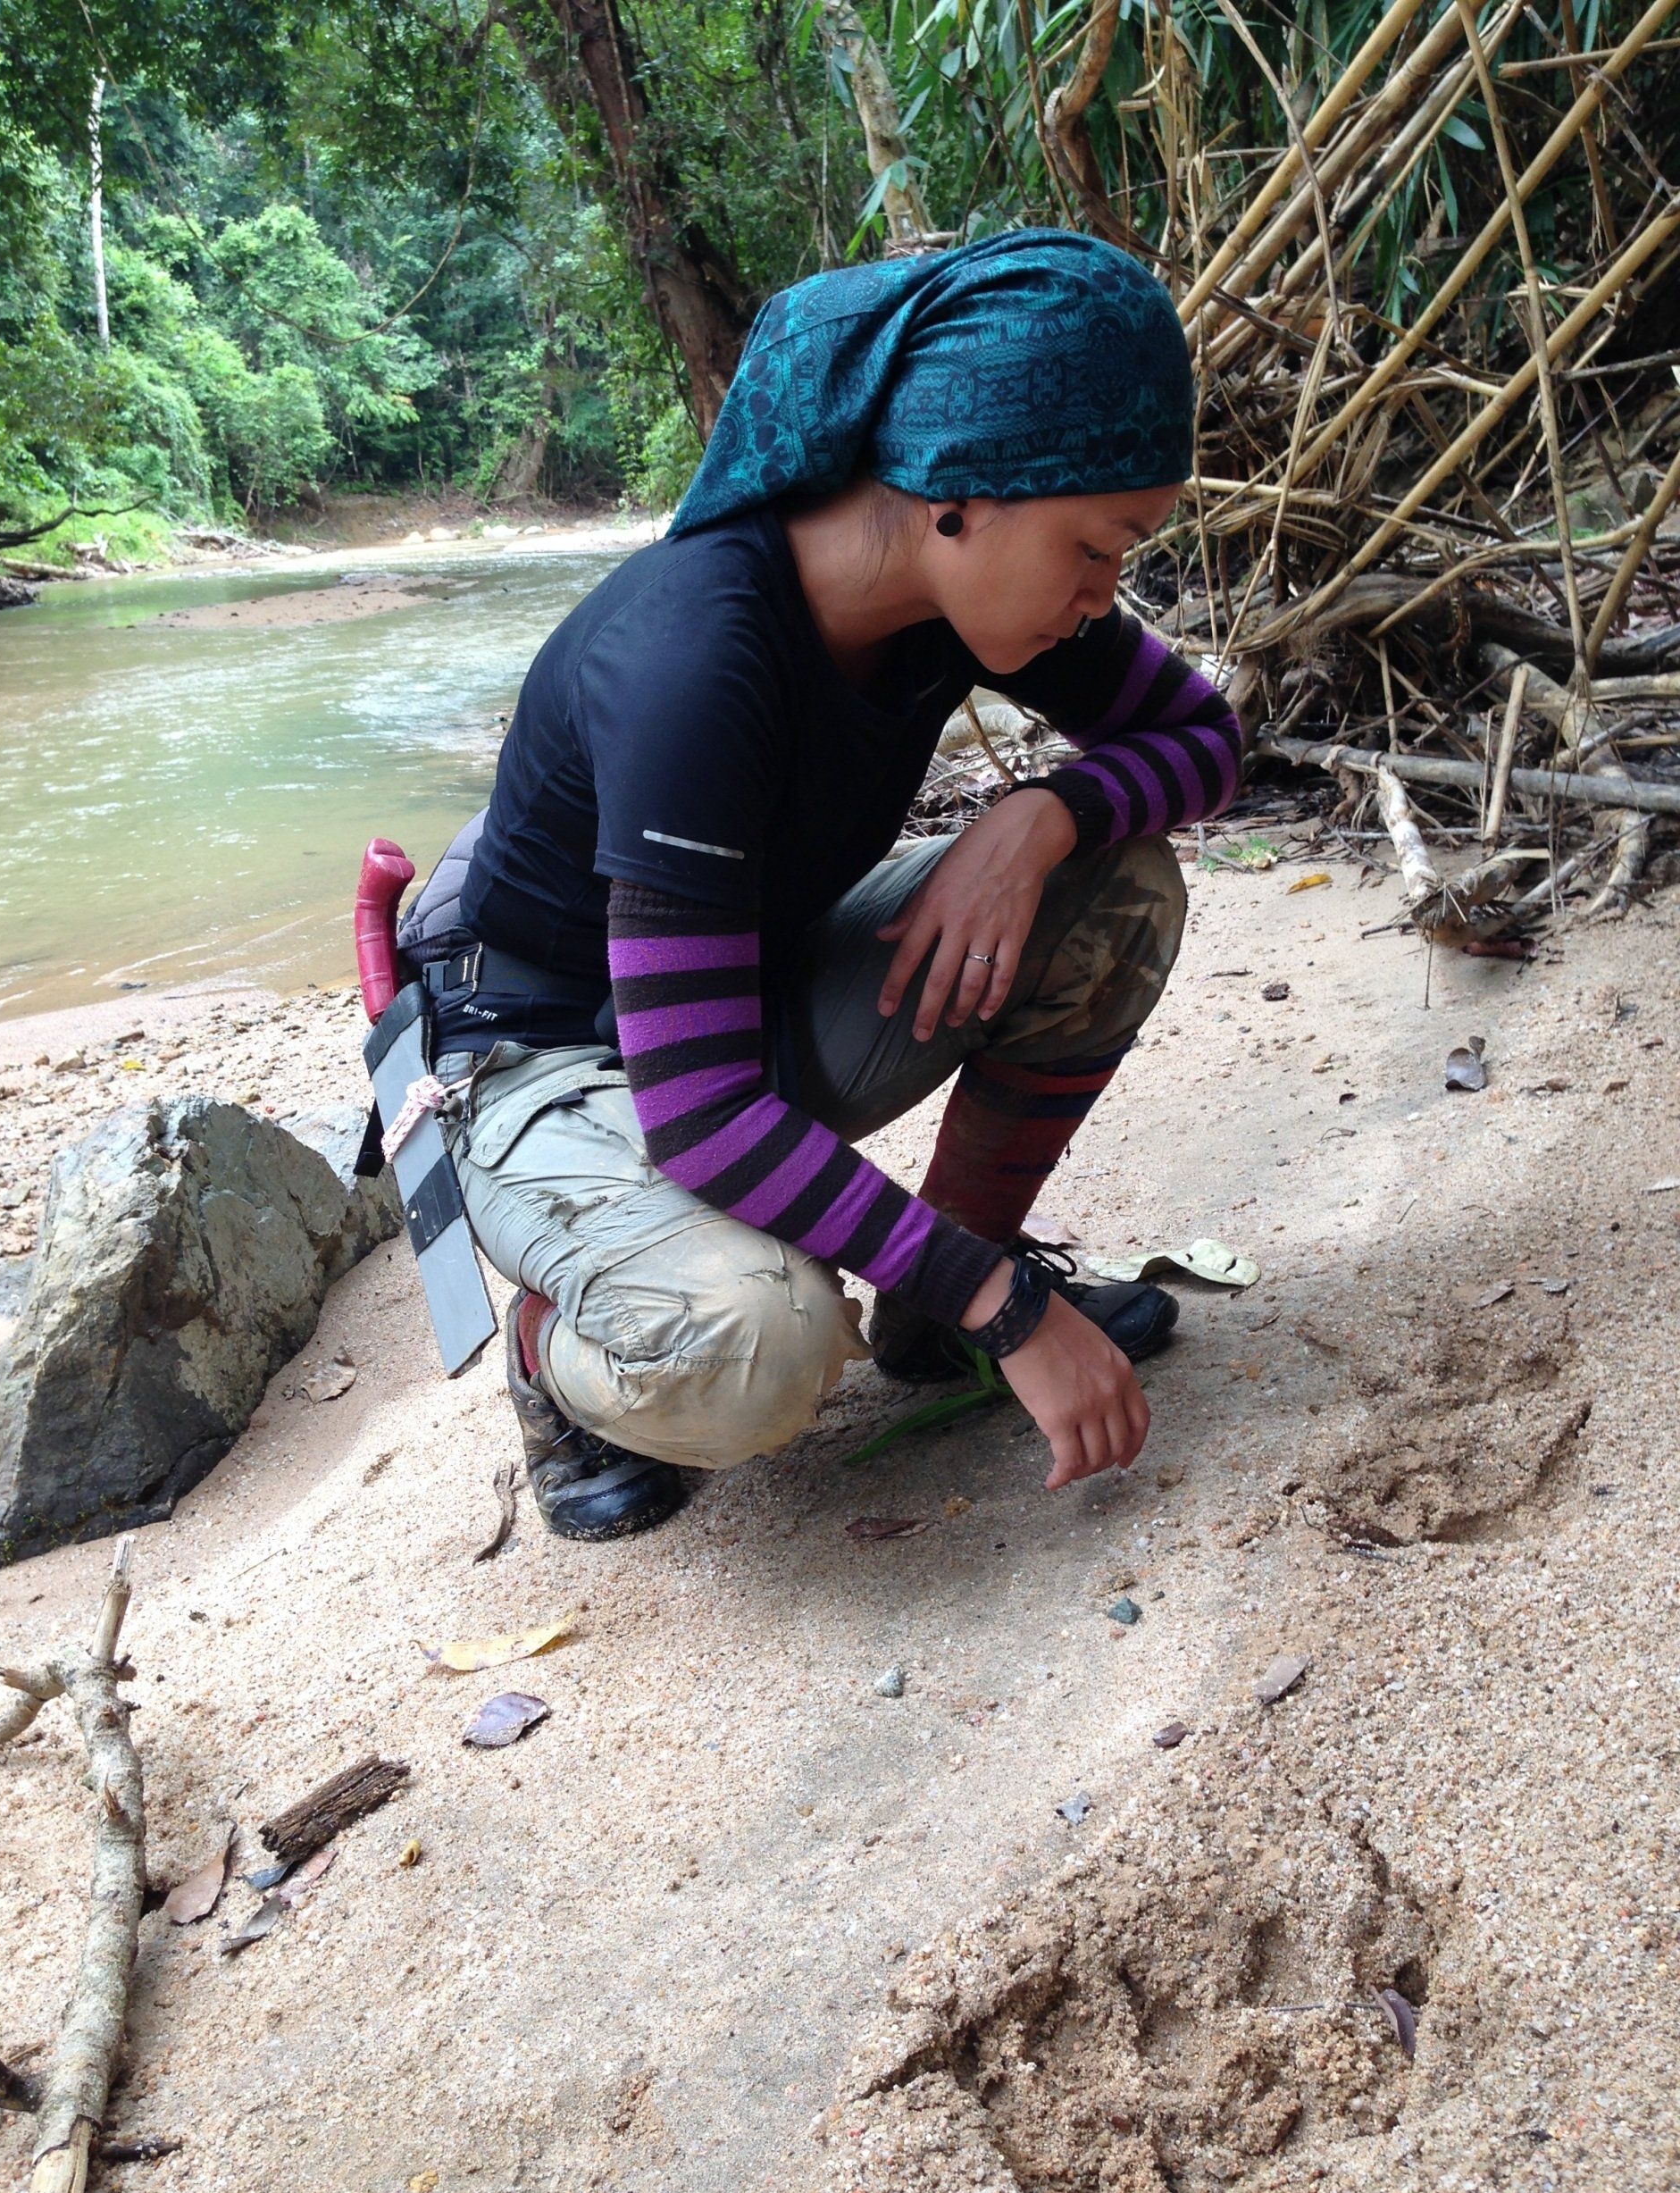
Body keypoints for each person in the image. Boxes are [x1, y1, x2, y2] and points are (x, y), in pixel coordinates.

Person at [423, 227, 1242, 1542]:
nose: (1104, 596)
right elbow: (699, 1111)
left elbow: (1208, 740)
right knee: (764, 1337)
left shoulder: (966, 597)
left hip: (732, 1003)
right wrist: (1019, 1314)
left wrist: (1043, 816)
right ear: (961, 491)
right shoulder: (696, 655)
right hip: (549, 1050)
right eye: (1098, 548)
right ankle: (553, 1342)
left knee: (1117, 888)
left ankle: (933, 1311)